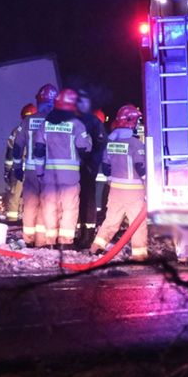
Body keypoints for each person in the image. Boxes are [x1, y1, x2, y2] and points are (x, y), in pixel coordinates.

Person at [34, 88, 91, 248]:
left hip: (49, 176)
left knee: (49, 207)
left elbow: (38, 151)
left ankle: (50, 242)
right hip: (70, 177)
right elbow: (84, 149)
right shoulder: (77, 125)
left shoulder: (45, 124)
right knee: (69, 209)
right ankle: (65, 243)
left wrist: (39, 173)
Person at [90, 105, 148, 261]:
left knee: (111, 221)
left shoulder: (110, 143)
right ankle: (140, 256)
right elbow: (141, 167)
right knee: (137, 224)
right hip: (134, 191)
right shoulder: (136, 144)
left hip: (115, 190)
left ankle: (96, 247)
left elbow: (106, 168)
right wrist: (149, 184)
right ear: (131, 122)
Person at [11, 84, 57, 246]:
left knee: (30, 205)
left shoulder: (28, 121)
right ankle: (43, 241)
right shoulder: (58, 122)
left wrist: (17, 167)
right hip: (50, 172)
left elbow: (17, 146)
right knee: (47, 205)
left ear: (39, 101)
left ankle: (28, 239)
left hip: (31, 171)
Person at [75, 89, 106, 248]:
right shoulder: (72, 120)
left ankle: (88, 235)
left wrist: (91, 164)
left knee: (88, 200)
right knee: (76, 201)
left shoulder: (94, 122)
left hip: (87, 168)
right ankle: (78, 233)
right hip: (73, 168)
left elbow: (100, 145)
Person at [3, 103, 37, 222]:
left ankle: (12, 221)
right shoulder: (44, 129)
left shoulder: (17, 131)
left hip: (19, 169)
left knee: (14, 196)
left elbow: (10, 154)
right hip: (36, 170)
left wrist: (7, 171)